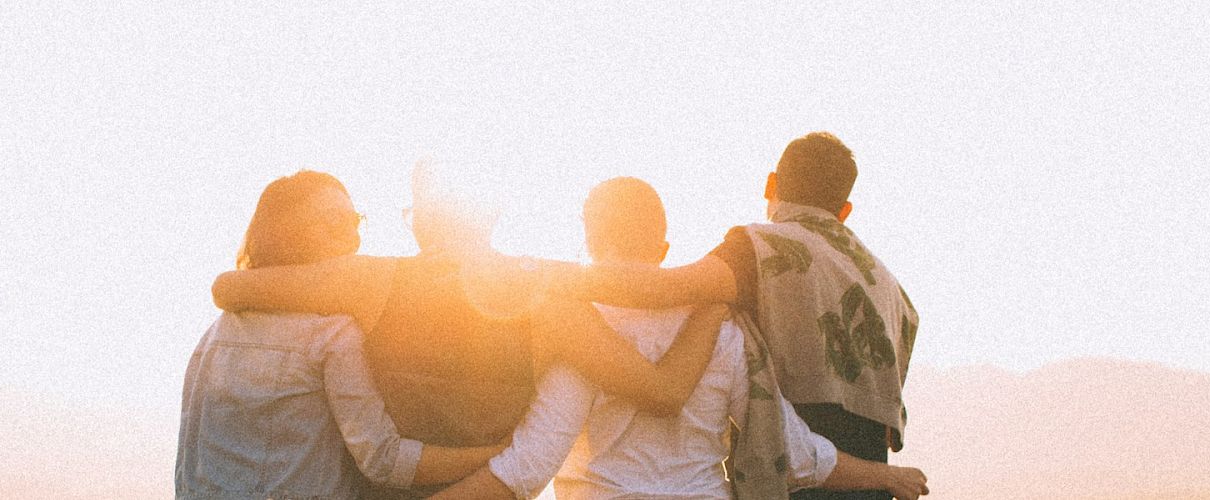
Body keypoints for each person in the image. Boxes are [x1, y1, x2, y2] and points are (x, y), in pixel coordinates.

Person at [210, 164, 727, 498]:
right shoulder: (549, 296)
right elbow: (664, 391)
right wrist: (713, 301)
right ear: (494, 211)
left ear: (417, 218)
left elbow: (233, 288)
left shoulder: (370, 281)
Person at [430, 178, 927, 500]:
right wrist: (885, 475)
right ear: (664, 247)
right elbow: (793, 450)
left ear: (586, 238)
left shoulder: (578, 325)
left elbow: (527, 468)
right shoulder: (726, 328)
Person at [569, 133, 922, 500]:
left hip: (791, 480)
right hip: (870, 483)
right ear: (844, 210)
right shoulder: (893, 291)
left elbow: (667, 289)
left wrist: (540, 279)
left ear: (771, 184)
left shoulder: (761, 250)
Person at [177, 171, 507, 499]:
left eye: (355, 222)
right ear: (289, 233)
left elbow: (189, 462)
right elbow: (384, 461)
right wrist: (499, 454)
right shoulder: (332, 335)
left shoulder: (214, 334)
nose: (353, 240)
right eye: (334, 223)